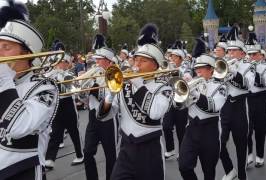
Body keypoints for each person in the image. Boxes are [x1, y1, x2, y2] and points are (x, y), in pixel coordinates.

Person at [98, 23, 172, 180]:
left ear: (155, 65)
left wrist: (138, 84)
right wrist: (110, 96)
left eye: (142, 61)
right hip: (126, 149)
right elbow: (106, 116)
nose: (136, 65)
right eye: (135, 60)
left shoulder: (164, 88)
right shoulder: (125, 84)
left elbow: (155, 112)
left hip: (150, 151)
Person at [0, 1, 59, 179]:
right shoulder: (5, 81)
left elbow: (19, 127)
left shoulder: (45, 87)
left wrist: (3, 77)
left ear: (27, 54)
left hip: (22, 170)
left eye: (6, 47)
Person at [178, 38, 227, 180]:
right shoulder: (193, 84)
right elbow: (180, 105)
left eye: (201, 68)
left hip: (210, 132)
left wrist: (195, 94)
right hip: (192, 128)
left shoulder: (220, 86)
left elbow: (213, 106)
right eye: (196, 68)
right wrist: (182, 93)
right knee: (184, 166)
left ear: (211, 69)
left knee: (209, 172)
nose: (198, 71)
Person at [220, 25, 255, 180]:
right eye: (229, 51)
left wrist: (234, 73)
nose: (230, 54)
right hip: (225, 107)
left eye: (234, 51)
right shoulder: (223, 65)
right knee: (219, 144)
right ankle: (229, 170)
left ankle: (242, 175)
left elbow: (248, 84)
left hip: (241, 107)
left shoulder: (249, 66)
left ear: (242, 52)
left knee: (241, 146)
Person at [44, 49, 84, 170]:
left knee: (74, 132)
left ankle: (80, 154)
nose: (59, 64)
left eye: (62, 62)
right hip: (57, 105)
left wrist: (59, 74)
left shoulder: (69, 73)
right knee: (56, 132)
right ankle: (50, 159)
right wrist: (50, 74)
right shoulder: (50, 74)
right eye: (58, 61)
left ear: (66, 63)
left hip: (68, 104)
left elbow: (72, 87)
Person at [83, 46, 117, 180]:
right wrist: (83, 93)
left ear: (108, 61)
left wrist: (98, 92)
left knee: (111, 155)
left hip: (108, 118)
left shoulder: (114, 74)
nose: (96, 63)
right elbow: (84, 99)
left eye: (99, 60)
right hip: (92, 117)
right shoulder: (93, 74)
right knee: (87, 152)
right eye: (96, 60)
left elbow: (114, 96)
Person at [245, 30, 266, 168]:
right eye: (249, 54)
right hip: (248, 100)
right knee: (247, 130)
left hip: (261, 99)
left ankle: (260, 156)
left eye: (254, 54)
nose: (251, 57)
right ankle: (249, 155)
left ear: (260, 55)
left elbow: (264, 82)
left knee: (260, 130)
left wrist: (253, 69)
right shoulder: (244, 67)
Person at [163, 40, 189, 160]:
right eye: (171, 56)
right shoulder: (168, 66)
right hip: (169, 101)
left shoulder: (186, 67)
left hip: (181, 101)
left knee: (181, 129)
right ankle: (170, 149)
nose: (171, 58)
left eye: (173, 56)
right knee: (166, 126)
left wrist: (176, 71)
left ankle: (182, 151)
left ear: (180, 58)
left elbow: (187, 78)